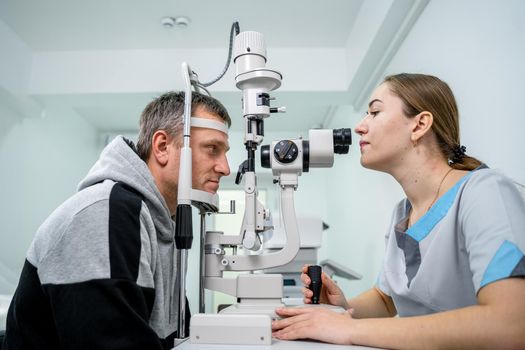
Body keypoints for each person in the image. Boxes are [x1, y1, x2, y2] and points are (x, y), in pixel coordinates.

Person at [272, 73, 525, 349]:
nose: (359, 127)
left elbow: (511, 323)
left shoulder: (485, 193)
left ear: (420, 125)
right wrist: (342, 306)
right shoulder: (403, 213)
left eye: (375, 112)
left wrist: (347, 329)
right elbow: (386, 298)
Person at [2, 91, 231, 349]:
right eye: (212, 149)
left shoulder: (163, 224)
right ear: (162, 147)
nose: (225, 167)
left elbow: (176, 332)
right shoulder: (104, 213)